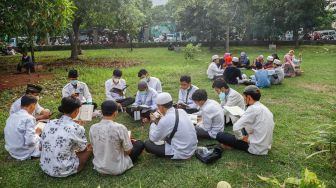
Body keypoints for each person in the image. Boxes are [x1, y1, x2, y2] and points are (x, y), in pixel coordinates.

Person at [40, 97, 92, 178]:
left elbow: (40, 147)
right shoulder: (77, 128)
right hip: (63, 170)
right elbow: (83, 149)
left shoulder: (50, 122)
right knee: (89, 148)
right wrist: (80, 126)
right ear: (76, 111)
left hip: (45, 167)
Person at [90, 100, 145, 175]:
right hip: (117, 167)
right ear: (115, 112)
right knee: (139, 144)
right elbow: (128, 151)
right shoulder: (120, 128)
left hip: (99, 166)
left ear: (102, 112)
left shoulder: (93, 127)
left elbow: (93, 146)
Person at [216, 85, 274, 155]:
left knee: (220, 135)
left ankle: (232, 144)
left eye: (244, 97)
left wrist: (242, 138)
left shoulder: (252, 109)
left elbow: (236, 128)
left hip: (254, 147)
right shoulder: (264, 108)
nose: (244, 99)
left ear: (249, 97)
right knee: (243, 127)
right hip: (265, 145)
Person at [144, 92, 198, 159]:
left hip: (182, 152)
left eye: (158, 106)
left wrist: (153, 122)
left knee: (148, 144)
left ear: (161, 107)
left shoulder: (165, 120)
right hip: (192, 147)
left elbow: (153, 138)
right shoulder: (181, 111)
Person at [4, 95, 41, 160]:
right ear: (32, 106)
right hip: (24, 153)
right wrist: (37, 134)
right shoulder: (29, 118)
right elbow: (30, 142)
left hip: (12, 150)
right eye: (35, 106)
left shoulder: (11, 116)